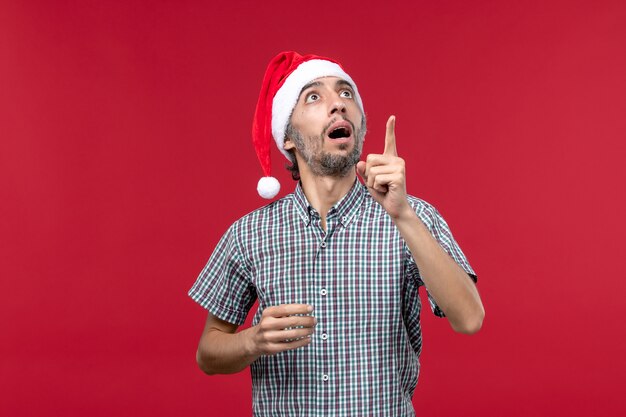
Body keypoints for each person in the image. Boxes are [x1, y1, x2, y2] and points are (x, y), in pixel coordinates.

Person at [188, 51, 485, 416]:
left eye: (346, 95)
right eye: (314, 96)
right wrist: (253, 341)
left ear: (359, 126)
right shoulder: (249, 234)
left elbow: (470, 319)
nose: (338, 106)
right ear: (288, 137)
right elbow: (208, 354)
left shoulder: (413, 216)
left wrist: (402, 214)